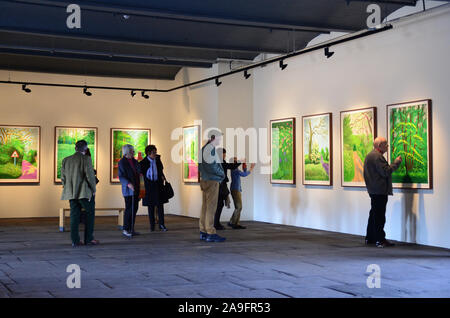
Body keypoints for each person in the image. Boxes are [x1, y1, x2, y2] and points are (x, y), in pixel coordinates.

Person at [363, 136, 402, 248]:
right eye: (386, 144)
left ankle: (370, 238)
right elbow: (386, 172)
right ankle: (380, 240)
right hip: (379, 190)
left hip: (373, 190)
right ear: (380, 145)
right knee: (379, 216)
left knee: (374, 214)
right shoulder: (377, 157)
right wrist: (396, 163)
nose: (387, 146)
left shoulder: (370, 155)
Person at [60, 140, 99, 247]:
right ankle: (89, 239)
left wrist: (67, 187)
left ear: (75, 148)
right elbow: (90, 176)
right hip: (84, 192)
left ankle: (75, 241)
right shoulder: (86, 159)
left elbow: (62, 178)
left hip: (71, 193)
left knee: (74, 216)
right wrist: (94, 189)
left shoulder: (66, 160)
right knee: (90, 214)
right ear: (85, 149)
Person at [199, 133, 225, 242]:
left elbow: (200, 165)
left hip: (205, 179)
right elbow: (212, 166)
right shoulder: (210, 149)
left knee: (205, 206)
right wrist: (222, 173)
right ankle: (210, 232)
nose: (219, 140)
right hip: (212, 180)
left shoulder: (203, 149)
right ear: (212, 138)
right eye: (218, 138)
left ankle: (203, 231)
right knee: (211, 207)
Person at [140, 145, 168, 232]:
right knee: (151, 206)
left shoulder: (158, 160)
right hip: (148, 186)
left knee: (160, 205)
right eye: (153, 153)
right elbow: (141, 175)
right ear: (148, 153)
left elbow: (161, 171)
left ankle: (162, 224)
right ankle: (152, 225)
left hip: (158, 185)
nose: (155, 154)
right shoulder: (143, 162)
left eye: (155, 152)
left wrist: (163, 177)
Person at [214, 148, 241, 230]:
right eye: (223, 153)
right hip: (220, 186)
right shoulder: (220, 162)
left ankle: (216, 223)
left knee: (220, 204)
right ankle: (216, 224)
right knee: (219, 205)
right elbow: (231, 166)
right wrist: (239, 162)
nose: (225, 155)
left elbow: (230, 166)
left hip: (220, 185)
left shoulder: (220, 162)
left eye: (225, 153)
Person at [118, 144, 141, 237]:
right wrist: (128, 183)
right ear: (127, 152)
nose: (134, 152)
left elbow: (139, 172)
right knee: (129, 209)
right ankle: (126, 229)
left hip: (136, 188)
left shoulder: (135, 161)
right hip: (128, 190)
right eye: (132, 151)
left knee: (135, 209)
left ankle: (132, 228)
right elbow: (121, 176)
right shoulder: (122, 162)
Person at [228, 159, 255, 229]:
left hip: (236, 189)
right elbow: (244, 174)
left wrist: (244, 167)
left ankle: (233, 222)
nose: (237, 161)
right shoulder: (234, 169)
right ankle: (234, 223)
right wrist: (251, 168)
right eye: (235, 160)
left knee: (238, 207)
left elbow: (244, 172)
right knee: (239, 207)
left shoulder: (235, 169)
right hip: (235, 189)